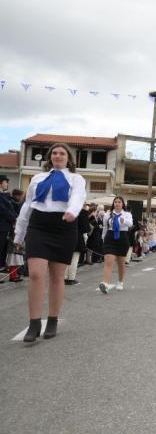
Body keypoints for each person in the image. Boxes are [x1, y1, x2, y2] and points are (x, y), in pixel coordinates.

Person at [13, 143, 87, 342]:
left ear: (68, 158)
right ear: (49, 157)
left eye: (62, 153)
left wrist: (73, 211)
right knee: (36, 274)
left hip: (64, 225)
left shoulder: (75, 178)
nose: (58, 155)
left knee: (56, 277)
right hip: (39, 225)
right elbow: (27, 206)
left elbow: (78, 196)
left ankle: (52, 320)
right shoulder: (38, 178)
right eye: (54, 153)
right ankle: (34, 322)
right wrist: (19, 235)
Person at [99, 196, 133, 293]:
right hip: (110, 237)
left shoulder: (127, 214)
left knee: (121, 263)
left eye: (119, 202)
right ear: (113, 204)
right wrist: (103, 237)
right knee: (109, 261)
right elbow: (105, 227)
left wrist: (124, 221)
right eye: (115, 202)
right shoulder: (108, 214)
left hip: (122, 238)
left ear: (122, 204)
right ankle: (105, 283)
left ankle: (120, 282)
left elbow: (130, 224)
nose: (117, 203)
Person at [64, 208, 90, 285]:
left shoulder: (66, 208)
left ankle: (64, 277)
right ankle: (71, 278)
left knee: (66, 258)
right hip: (77, 237)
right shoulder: (82, 212)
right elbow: (86, 228)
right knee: (74, 259)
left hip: (65, 236)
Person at [0, 174, 18, 273]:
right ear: (1, 183)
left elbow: (10, 209)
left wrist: (15, 217)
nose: (7, 184)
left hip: (5, 227)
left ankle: (2, 267)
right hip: (1, 226)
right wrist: (14, 218)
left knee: (3, 249)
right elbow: (3, 210)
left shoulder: (4, 195)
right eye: (6, 182)